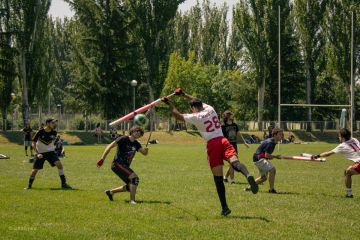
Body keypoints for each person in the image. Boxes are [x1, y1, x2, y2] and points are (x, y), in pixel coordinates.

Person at [162, 88, 258, 216]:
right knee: (234, 162)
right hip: (223, 140)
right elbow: (194, 100)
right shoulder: (210, 109)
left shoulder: (196, 116)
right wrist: (184, 94)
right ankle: (247, 175)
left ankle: (225, 208)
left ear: (194, 108)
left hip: (213, 145)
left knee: (218, 178)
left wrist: (169, 102)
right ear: (202, 105)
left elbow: (177, 115)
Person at [97, 126, 149, 204]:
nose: (138, 133)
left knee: (130, 186)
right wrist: (102, 159)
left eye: (140, 133)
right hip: (117, 164)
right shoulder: (123, 139)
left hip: (124, 166)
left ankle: (111, 192)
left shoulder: (136, 144)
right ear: (132, 131)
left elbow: (144, 153)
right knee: (135, 179)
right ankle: (132, 201)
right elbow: (109, 146)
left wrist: (146, 150)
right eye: (137, 131)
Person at [312, 128, 360, 198]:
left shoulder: (342, 146)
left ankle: (349, 194)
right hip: (358, 162)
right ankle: (349, 194)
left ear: (343, 138)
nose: (339, 138)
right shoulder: (355, 139)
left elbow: (328, 153)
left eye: (339, 136)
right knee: (348, 171)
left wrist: (317, 156)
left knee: (347, 172)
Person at [25, 118, 72, 189]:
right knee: (35, 170)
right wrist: (37, 153)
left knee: (59, 165)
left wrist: (58, 142)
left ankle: (64, 184)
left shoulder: (54, 132)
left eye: (54, 123)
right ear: (47, 123)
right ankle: (29, 185)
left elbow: (54, 141)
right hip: (41, 153)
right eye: (52, 123)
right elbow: (33, 143)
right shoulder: (40, 132)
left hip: (51, 152)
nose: (54, 124)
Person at [246, 127, 283, 193]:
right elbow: (267, 155)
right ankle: (271, 189)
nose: (282, 136)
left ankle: (249, 188)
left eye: (282, 134)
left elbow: (267, 155)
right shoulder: (270, 143)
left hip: (257, 158)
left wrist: (272, 157)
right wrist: (276, 156)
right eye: (280, 134)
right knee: (272, 170)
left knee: (263, 178)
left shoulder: (273, 142)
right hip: (259, 158)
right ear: (275, 135)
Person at [221, 110, 249, 184]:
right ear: (227, 116)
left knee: (233, 163)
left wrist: (244, 142)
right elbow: (222, 137)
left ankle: (225, 177)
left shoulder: (235, 125)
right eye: (230, 114)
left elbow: (239, 134)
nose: (232, 116)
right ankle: (232, 180)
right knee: (232, 163)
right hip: (227, 146)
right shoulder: (223, 126)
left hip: (234, 145)